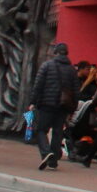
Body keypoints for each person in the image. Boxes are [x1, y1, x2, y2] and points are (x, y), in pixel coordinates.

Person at [28, 40, 76, 171]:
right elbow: (75, 90)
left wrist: (32, 101)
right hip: (63, 106)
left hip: (46, 104)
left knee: (41, 129)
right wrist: (73, 108)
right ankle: (53, 161)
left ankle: (45, 152)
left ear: (55, 52)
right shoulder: (72, 70)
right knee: (57, 131)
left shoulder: (46, 66)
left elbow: (38, 85)